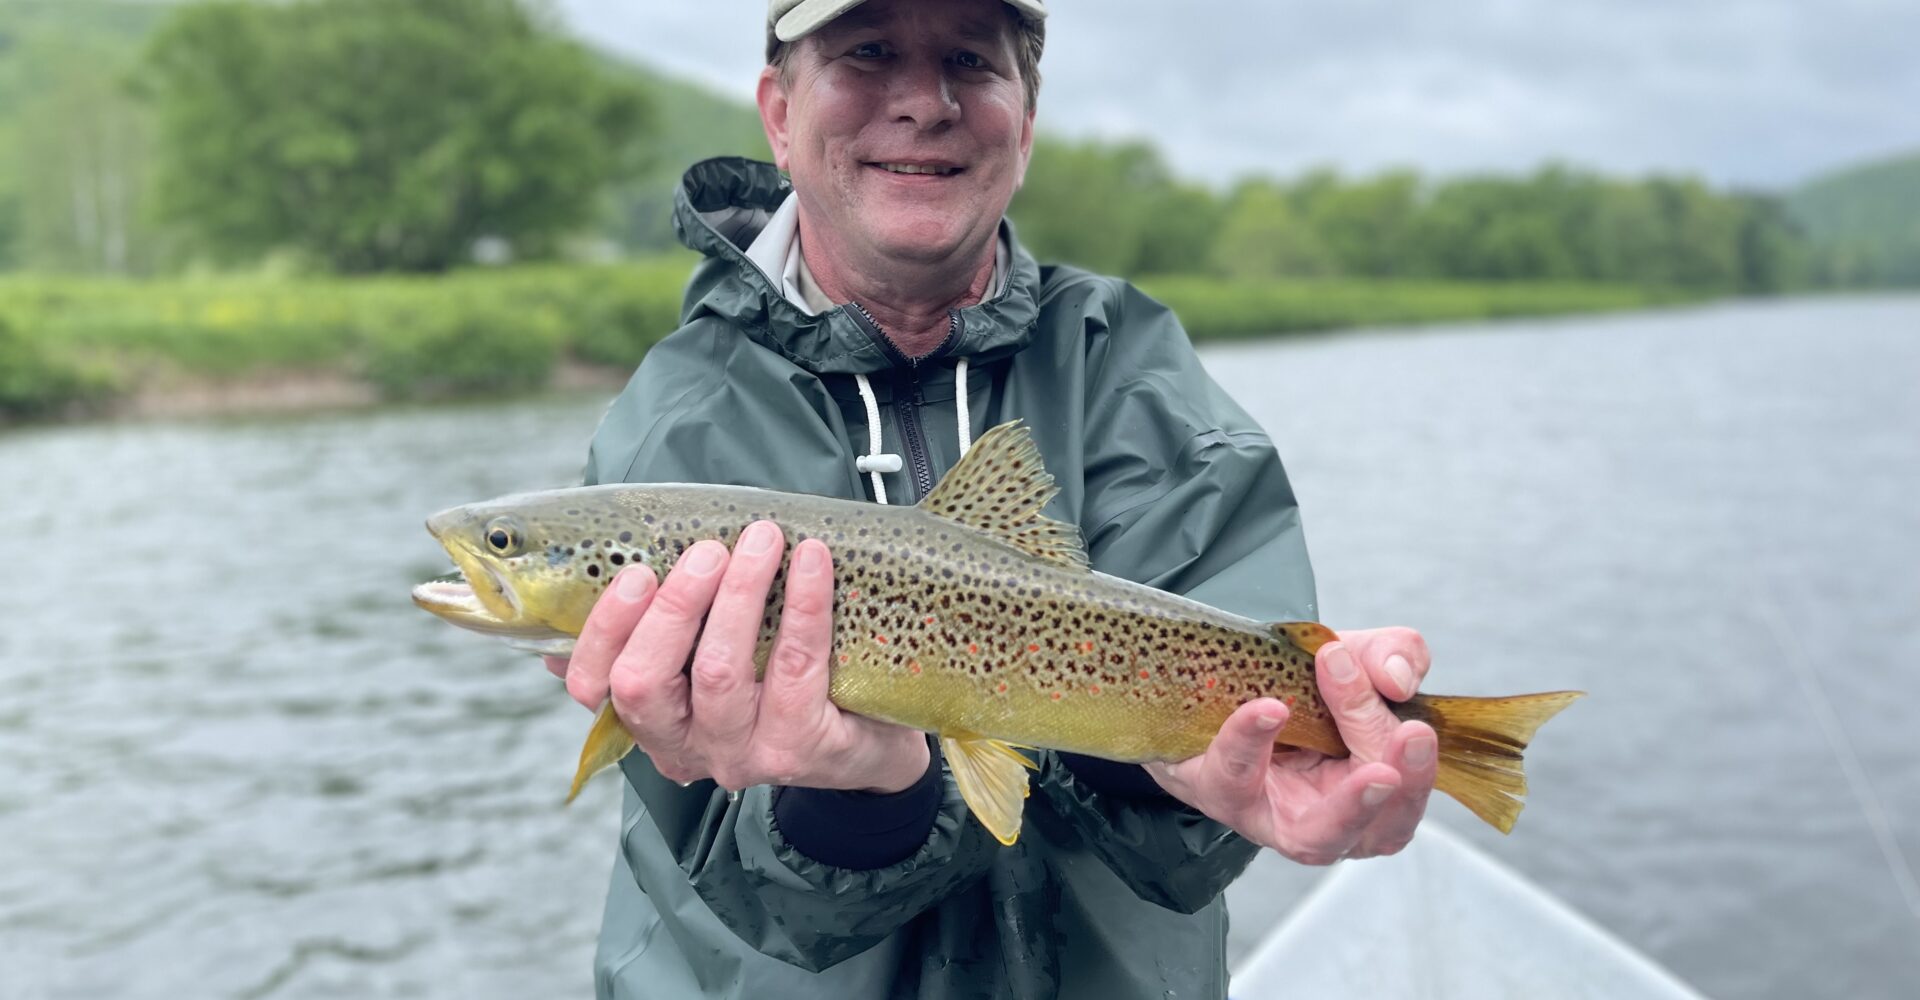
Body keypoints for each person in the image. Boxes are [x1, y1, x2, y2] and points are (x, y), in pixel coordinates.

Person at [544, 1, 1439, 996]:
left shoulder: (1134, 372)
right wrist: (862, 792)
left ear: (1027, 119)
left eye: (970, 60)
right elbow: (725, 895)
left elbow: (1206, 783)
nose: (925, 102)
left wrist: (1216, 772)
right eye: (868, 52)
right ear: (779, 113)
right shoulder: (672, 435)